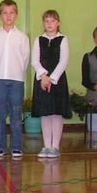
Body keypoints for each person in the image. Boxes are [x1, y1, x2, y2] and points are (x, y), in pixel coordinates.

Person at [0, 0, 30, 159]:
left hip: (16, 80)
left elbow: (25, 59)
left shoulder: (22, 37)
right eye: (5, 13)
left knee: (16, 114)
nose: (8, 16)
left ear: (16, 15)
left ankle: (16, 147)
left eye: (12, 12)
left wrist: (18, 73)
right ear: (0, 15)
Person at [31, 10, 72, 158]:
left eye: (53, 21)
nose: (49, 24)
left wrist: (52, 78)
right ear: (43, 23)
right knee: (45, 114)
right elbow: (35, 61)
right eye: (46, 21)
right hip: (42, 81)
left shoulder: (63, 39)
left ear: (58, 23)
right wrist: (43, 76)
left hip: (57, 81)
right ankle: (47, 146)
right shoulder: (38, 40)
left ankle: (55, 146)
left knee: (56, 113)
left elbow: (64, 61)